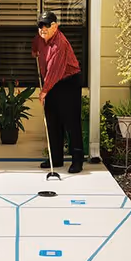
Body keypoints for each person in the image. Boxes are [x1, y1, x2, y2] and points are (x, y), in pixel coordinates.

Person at [32, 11, 84, 173]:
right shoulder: (41, 38)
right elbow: (36, 45)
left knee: (71, 122)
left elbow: (55, 70)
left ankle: (77, 161)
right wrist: (35, 51)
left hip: (68, 82)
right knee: (53, 121)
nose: (43, 29)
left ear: (55, 26)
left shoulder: (59, 44)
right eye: (40, 25)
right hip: (53, 82)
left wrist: (43, 91)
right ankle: (56, 159)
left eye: (46, 25)